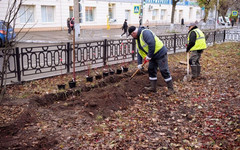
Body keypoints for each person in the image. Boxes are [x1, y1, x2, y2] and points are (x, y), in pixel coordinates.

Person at [128, 26, 174, 95]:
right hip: (152, 56)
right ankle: (153, 87)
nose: (132, 37)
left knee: (163, 70)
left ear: (134, 33)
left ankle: (171, 89)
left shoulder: (145, 33)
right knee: (151, 70)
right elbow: (140, 51)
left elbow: (152, 44)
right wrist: (139, 63)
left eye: (131, 35)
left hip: (160, 53)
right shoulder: (138, 39)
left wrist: (149, 56)